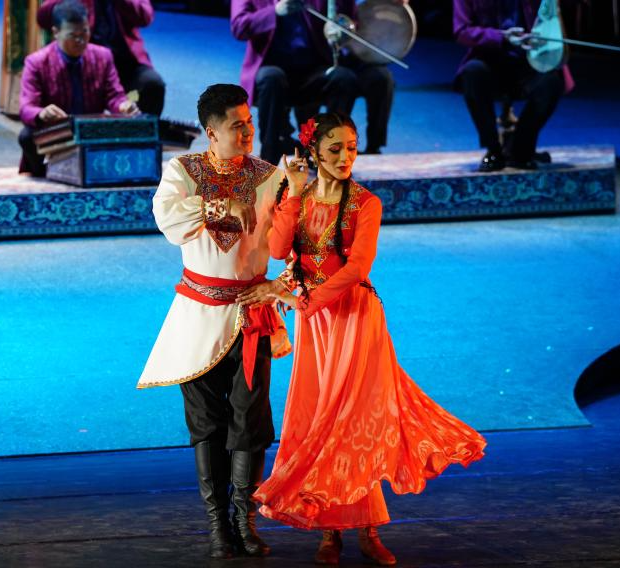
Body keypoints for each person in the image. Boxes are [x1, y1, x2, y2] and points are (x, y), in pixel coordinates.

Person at [253, 112, 487, 565]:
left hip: (354, 318)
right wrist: (294, 193)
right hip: (316, 324)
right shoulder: (298, 196)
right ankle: (331, 531)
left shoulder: (365, 203)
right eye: (335, 149)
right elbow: (279, 250)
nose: (345, 157)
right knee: (320, 420)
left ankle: (368, 529)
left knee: (351, 423)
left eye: (351, 148)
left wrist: (305, 301)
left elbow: (358, 268)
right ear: (313, 152)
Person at [138, 83, 290, 559]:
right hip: (198, 315)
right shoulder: (183, 172)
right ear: (211, 131)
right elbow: (167, 218)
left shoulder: (271, 177)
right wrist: (219, 205)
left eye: (250, 123)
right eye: (236, 126)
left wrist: (282, 283)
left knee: (251, 419)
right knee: (206, 422)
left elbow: (298, 238)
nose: (247, 132)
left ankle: (245, 520)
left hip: (251, 315)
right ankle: (218, 525)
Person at [229, 0, 395, 164]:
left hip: (314, 67)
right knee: (271, 78)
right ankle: (269, 155)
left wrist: (342, 29)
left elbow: (349, 19)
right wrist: (275, 11)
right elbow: (238, 27)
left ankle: (330, 154)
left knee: (344, 78)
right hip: (273, 67)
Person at [17, 0, 138, 177]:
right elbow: (26, 108)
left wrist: (123, 105)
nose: (81, 41)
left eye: (85, 32)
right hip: (59, 132)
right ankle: (44, 175)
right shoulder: (36, 62)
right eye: (73, 35)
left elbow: (114, 95)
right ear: (55, 32)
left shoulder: (103, 56)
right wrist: (41, 113)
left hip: (91, 130)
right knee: (27, 136)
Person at [453, 0, 574, 171]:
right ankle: (493, 149)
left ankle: (520, 148)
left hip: (530, 62)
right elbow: (461, 31)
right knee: (472, 72)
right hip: (490, 61)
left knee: (552, 80)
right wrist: (501, 37)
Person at [37, 0, 165, 115]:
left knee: (151, 85)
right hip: (87, 69)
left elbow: (145, 17)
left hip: (126, 67)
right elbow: (43, 18)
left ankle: (139, 131)